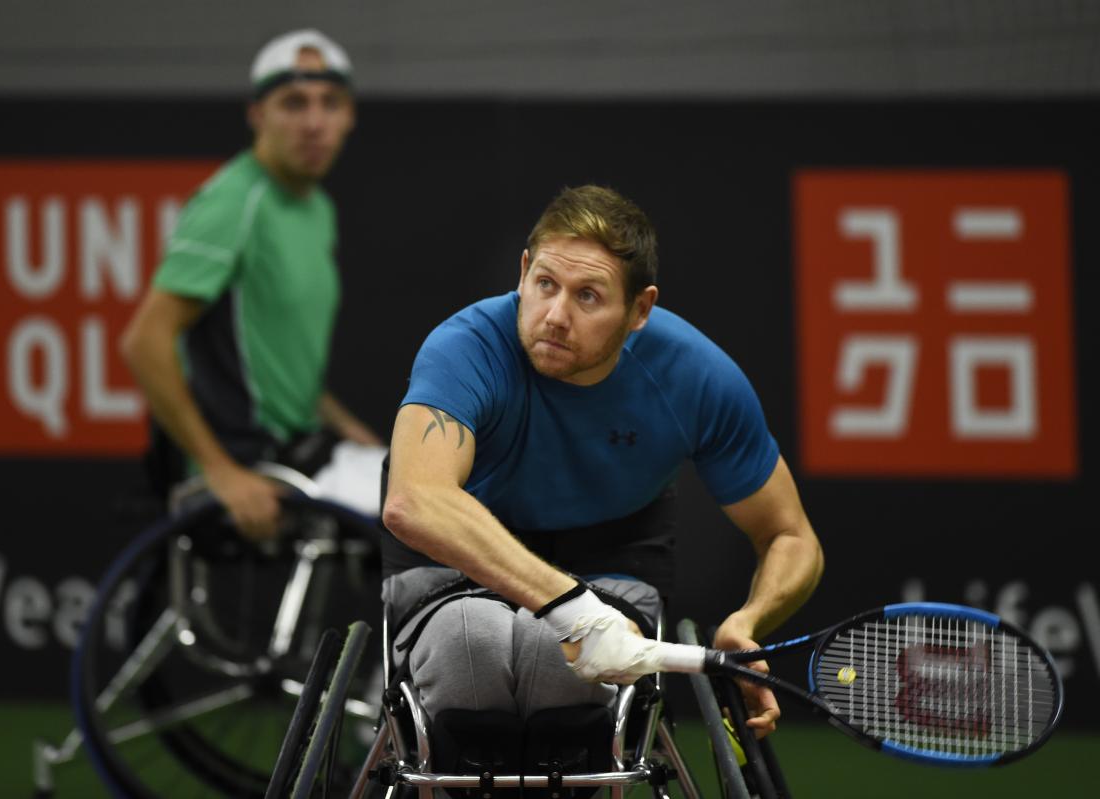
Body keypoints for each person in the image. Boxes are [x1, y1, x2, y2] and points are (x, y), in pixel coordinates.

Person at [381, 185, 824, 738]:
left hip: (610, 553)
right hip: (460, 551)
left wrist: (749, 620)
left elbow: (790, 535)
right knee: (471, 647)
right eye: (545, 284)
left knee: (559, 672)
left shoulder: (697, 377)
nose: (555, 316)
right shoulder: (465, 346)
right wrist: (571, 608)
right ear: (523, 273)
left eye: (588, 296)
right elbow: (414, 501)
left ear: (640, 309)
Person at [121, 29, 384, 538]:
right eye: (293, 103)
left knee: (452, 489)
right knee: (437, 512)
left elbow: (272, 357)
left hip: (306, 447)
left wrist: (340, 424)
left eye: (329, 103)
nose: (314, 122)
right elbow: (144, 343)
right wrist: (221, 473)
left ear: (349, 116)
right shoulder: (232, 203)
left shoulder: (317, 208)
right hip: (254, 460)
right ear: (257, 115)